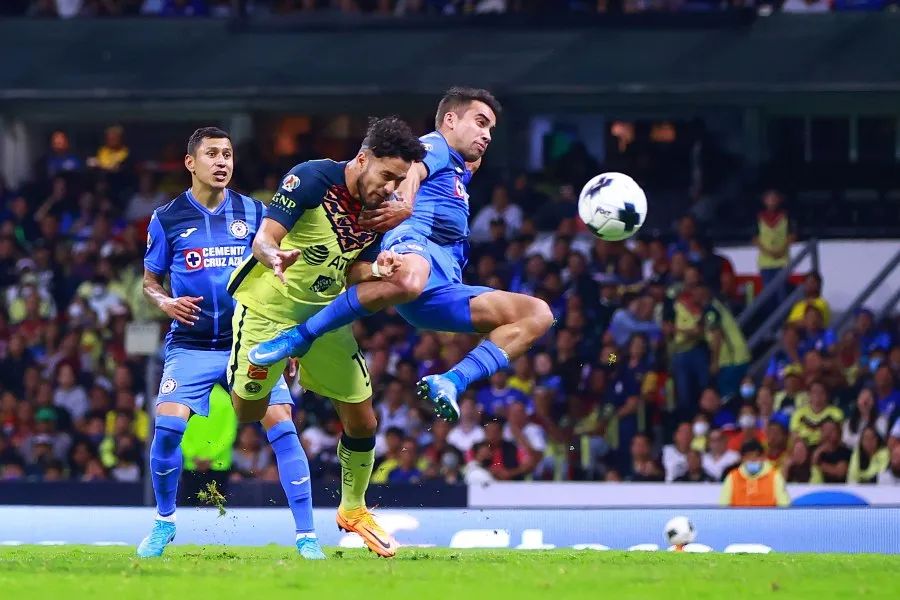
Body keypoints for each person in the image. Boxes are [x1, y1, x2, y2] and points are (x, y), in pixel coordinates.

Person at [248, 87, 554, 425]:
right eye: (480, 123)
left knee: (537, 314)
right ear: (450, 120)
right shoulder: (436, 145)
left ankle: (451, 381)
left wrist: (471, 159)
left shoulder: (460, 165)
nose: (487, 134)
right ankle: (299, 337)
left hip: (443, 283)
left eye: (492, 129)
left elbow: (466, 163)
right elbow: (414, 169)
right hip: (414, 245)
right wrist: (404, 206)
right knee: (409, 279)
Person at [226, 117, 426, 558]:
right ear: (361, 159)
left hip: (325, 317)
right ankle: (272, 368)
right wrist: (273, 255)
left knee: (363, 419)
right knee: (247, 411)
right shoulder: (312, 177)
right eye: (388, 176)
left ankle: (352, 508)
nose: (392, 189)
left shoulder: (378, 210)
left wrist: (378, 267)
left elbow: (352, 267)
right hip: (267, 311)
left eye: (400, 180)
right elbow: (265, 238)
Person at [137, 128, 323, 560]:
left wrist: (289, 340)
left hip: (250, 340)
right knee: (167, 429)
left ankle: (307, 537)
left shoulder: (256, 213)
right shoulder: (166, 218)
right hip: (191, 345)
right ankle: (165, 522)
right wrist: (165, 302)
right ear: (191, 163)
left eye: (228, 154)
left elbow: (283, 279)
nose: (222, 162)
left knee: (282, 427)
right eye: (212, 154)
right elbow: (149, 281)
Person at [720, 440, 790, 507]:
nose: (753, 460)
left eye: (756, 457)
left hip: (768, 518)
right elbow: (723, 505)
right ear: (742, 459)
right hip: (739, 518)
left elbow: (784, 505)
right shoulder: (732, 477)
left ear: (763, 457)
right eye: (749, 457)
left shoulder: (775, 476)